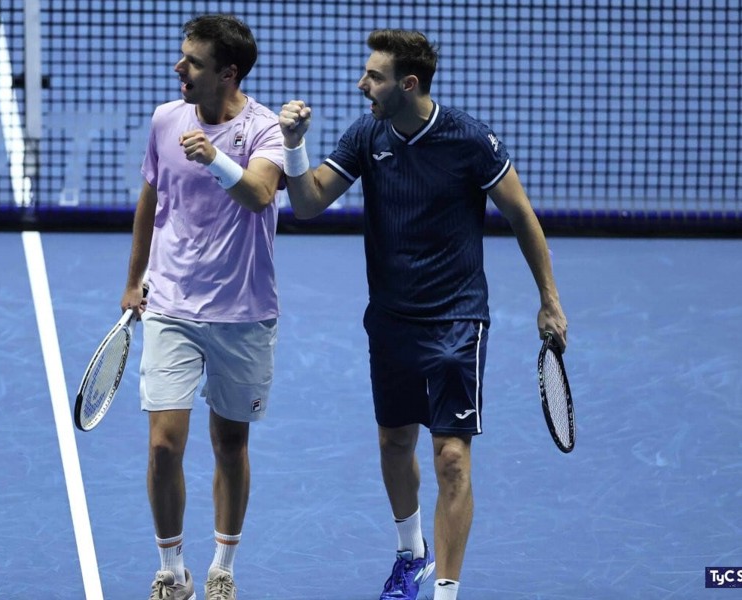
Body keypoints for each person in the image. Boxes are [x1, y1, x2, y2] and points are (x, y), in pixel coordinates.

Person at [278, 29, 568, 600]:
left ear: (408, 84)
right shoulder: (367, 134)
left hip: (457, 319)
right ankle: (411, 554)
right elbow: (307, 203)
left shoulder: (470, 139)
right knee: (394, 443)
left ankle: (445, 592)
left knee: (451, 457)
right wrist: (294, 144)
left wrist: (549, 300)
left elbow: (521, 216)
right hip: (390, 319)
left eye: (374, 76)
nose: (362, 84)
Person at [120, 14, 285, 600]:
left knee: (230, 445)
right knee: (163, 444)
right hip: (171, 305)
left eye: (193, 61)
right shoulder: (166, 118)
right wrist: (134, 279)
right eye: (182, 56)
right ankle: (172, 571)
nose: (179, 68)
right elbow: (150, 197)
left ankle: (222, 567)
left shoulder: (266, 129)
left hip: (243, 312)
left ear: (228, 73)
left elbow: (260, 193)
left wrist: (214, 158)